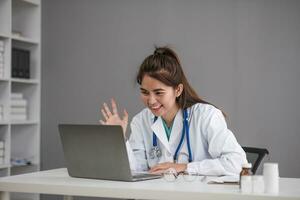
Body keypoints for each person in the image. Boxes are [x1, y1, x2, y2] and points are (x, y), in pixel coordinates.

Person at [100, 46, 247, 175]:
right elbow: (136, 173)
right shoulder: (141, 121)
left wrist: (185, 167)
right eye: (145, 92)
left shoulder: (206, 116)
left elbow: (238, 163)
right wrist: (119, 138)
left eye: (159, 93)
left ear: (178, 90)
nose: (151, 101)